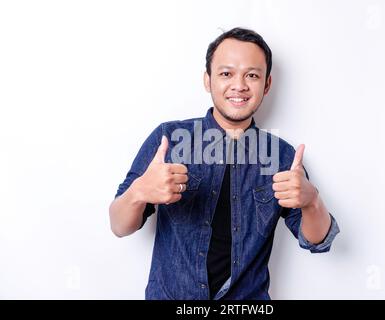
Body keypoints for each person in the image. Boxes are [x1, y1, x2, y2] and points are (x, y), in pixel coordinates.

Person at [109, 27, 340, 300]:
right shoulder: (168, 140)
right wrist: (138, 192)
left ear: (266, 85)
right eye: (226, 73)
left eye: (252, 75)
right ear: (208, 80)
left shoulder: (282, 156)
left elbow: (317, 241)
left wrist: (312, 200)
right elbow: (119, 226)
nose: (239, 85)